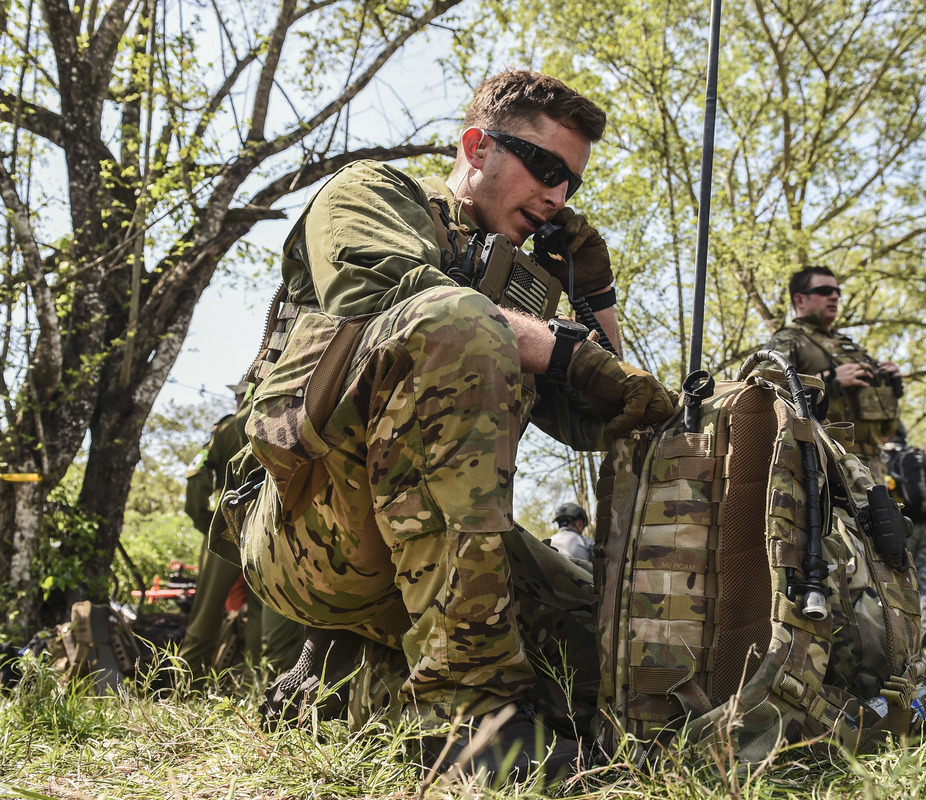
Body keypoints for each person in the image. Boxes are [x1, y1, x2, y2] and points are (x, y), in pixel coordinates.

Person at [237, 70, 673, 781]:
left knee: (614, 653)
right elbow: (389, 295)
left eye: (573, 185)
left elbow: (601, 419)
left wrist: (594, 293)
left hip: (438, 552)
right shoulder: (373, 193)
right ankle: (473, 727)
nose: (558, 195)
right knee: (455, 321)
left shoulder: (530, 284)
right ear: (477, 147)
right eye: (547, 168)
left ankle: (351, 689)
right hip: (309, 527)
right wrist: (563, 348)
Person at [178, 384, 304, 678]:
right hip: (272, 523)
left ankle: (186, 686)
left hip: (228, 520)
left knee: (204, 615)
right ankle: (256, 688)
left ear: (243, 395)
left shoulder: (228, 426)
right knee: (264, 612)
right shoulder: (286, 412)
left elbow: (196, 477)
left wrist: (204, 521)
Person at [766, 266, 902, 482]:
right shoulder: (790, 340)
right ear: (800, 300)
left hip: (873, 465)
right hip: (825, 462)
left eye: (837, 291)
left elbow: (888, 428)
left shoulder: (850, 347)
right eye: (824, 291)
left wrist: (892, 386)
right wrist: (828, 380)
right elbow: (764, 393)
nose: (835, 297)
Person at [881, 424, 926, 633]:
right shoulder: (922, 457)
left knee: (899, 582)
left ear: (890, 433)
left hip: (903, 526)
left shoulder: (884, 457)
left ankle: (907, 636)